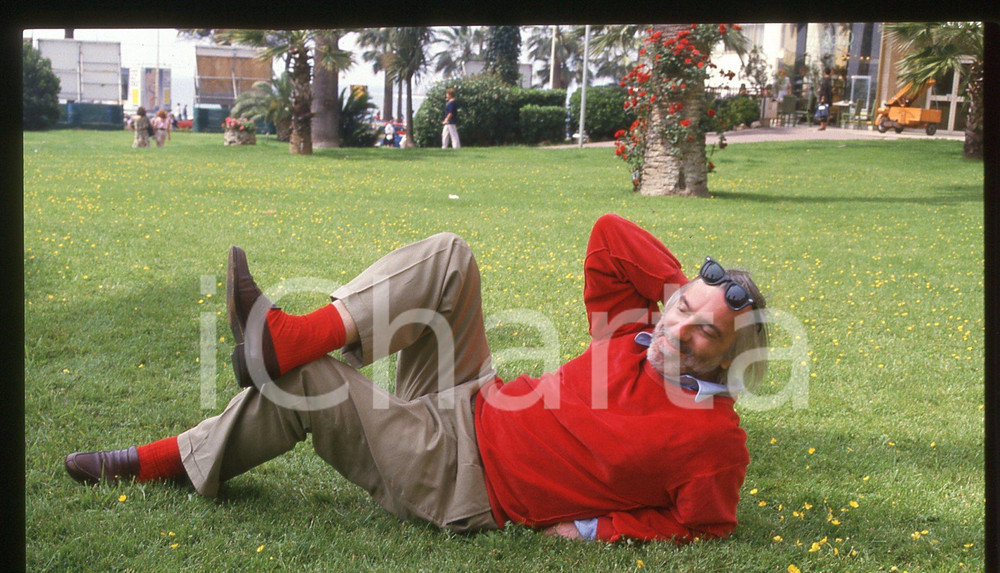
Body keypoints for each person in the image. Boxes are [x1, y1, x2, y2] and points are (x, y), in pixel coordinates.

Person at [64, 214, 770, 543]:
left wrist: (593, 528)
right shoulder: (634, 335)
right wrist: (686, 286)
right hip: (471, 399)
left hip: (462, 480)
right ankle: (290, 335)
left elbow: (703, 524)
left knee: (311, 382)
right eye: (679, 310)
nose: (679, 332)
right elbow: (609, 237)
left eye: (706, 331)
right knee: (450, 257)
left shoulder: (712, 442)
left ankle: (160, 461)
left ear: (730, 359)